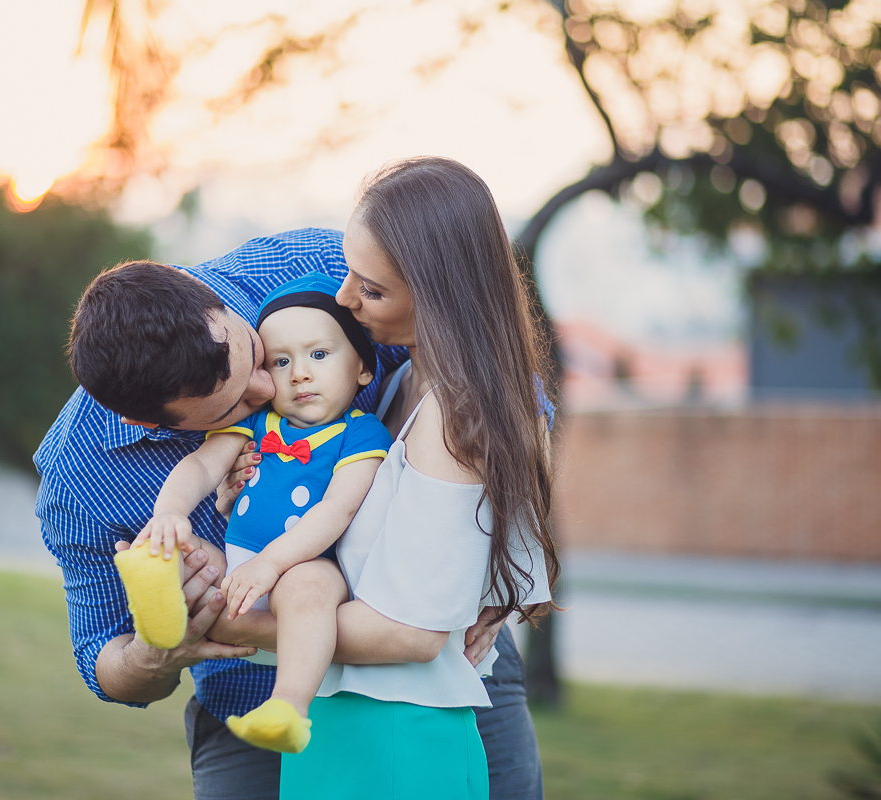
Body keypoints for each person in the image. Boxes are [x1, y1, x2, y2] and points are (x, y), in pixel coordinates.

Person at [34, 228, 551, 800]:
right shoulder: (77, 480)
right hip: (250, 700)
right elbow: (103, 660)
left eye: (258, 354)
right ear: (149, 423)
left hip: (443, 663)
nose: (273, 387)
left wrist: (502, 576)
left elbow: (503, 390)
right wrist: (156, 651)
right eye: (234, 406)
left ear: (204, 292)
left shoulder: (329, 267)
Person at [275, 156, 560, 799]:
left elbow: (411, 632)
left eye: (370, 289)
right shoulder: (404, 382)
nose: (344, 299)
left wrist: (233, 620)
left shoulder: (454, 414)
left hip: (395, 740)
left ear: (438, 297)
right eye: (351, 271)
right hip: (341, 724)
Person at [119, 272, 393, 754]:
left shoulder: (362, 434)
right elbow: (201, 465)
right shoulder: (256, 423)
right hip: (237, 566)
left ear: (363, 369)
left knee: (310, 587)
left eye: (320, 355)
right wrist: (171, 513)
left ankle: (287, 706)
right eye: (282, 360)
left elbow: (336, 510)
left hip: (307, 564)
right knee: (183, 550)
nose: (299, 373)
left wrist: (271, 564)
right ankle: (160, 609)